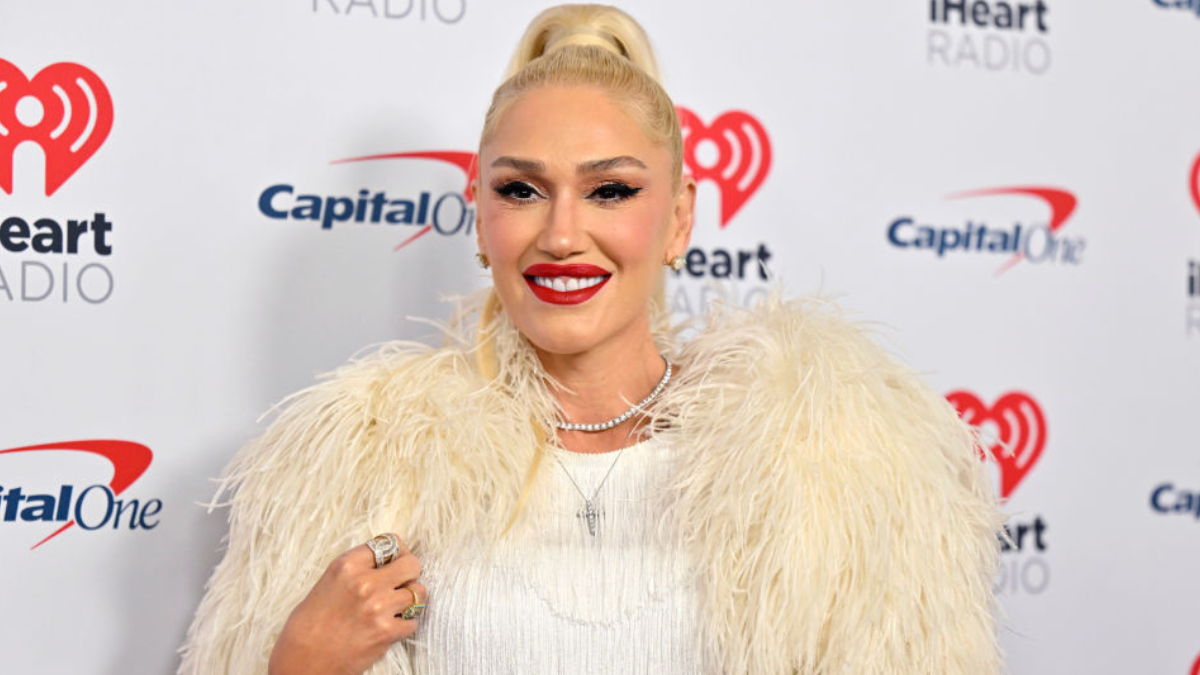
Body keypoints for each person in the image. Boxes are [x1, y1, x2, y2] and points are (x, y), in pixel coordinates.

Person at [179, 4, 1005, 674]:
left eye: (609, 190)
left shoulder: (834, 463)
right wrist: (298, 666)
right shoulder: (365, 470)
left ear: (679, 217)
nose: (563, 235)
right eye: (522, 189)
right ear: (480, 216)